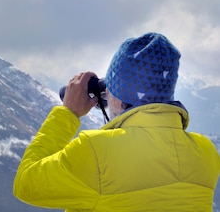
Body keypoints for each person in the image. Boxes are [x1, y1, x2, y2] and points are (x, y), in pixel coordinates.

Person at [13, 32, 220, 211]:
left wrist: (68, 112)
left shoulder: (96, 152)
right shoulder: (205, 153)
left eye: (109, 89)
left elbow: (26, 183)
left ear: (119, 97)